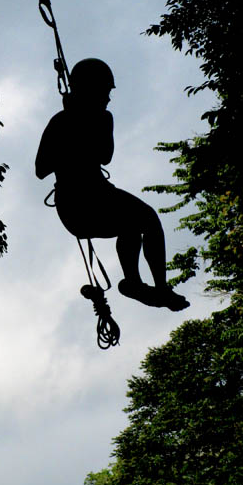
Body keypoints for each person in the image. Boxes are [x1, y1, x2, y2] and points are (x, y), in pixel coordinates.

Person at [35, 58, 189, 311]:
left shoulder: (102, 118)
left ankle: (142, 285)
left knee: (140, 222)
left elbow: (104, 155)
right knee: (143, 219)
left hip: (98, 195)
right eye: (105, 91)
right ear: (91, 89)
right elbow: (41, 169)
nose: (108, 98)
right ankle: (146, 285)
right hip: (77, 203)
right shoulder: (61, 122)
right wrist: (70, 131)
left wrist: (83, 122)